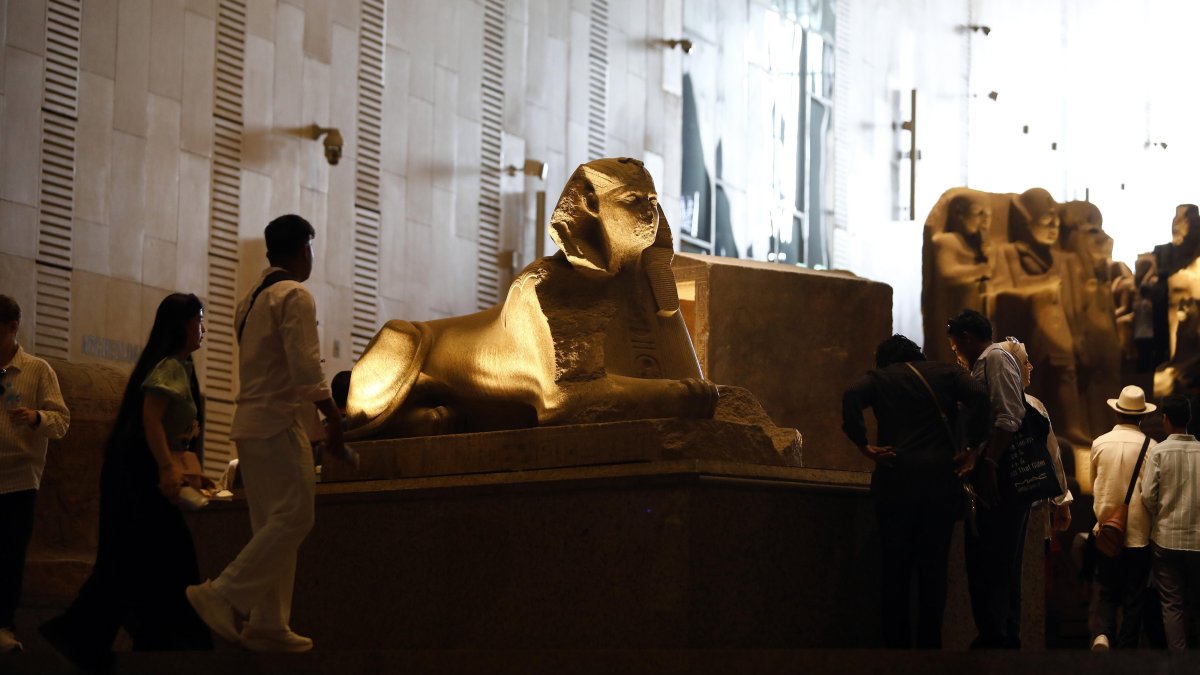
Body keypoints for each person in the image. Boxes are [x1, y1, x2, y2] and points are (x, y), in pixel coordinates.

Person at [186, 214, 352, 653]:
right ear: (303, 250)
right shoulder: (295, 294)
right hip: (279, 424)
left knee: (271, 528)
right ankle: (222, 594)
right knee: (296, 517)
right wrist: (332, 417)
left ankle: (268, 621)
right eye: (311, 249)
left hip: (249, 426)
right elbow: (304, 366)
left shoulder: (250, 300)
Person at [39, 293, 211, 669]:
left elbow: (178, 430)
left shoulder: (182, 367)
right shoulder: (167, 368)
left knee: (138, 564)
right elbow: (150, 420)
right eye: (198, 319)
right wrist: (167, 468)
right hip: (139, 481)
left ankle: (141, 642)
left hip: (148, 479)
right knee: (155, 561)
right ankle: (160, 645)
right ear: (180, 325)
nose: (203, 328)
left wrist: (189, 469)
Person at [841, 334, 989, 648]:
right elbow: (980, 396)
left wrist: (863, 445)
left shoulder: (880, 378)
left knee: (895, 571)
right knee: (933, 571)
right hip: (940, 485)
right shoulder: (949, 373)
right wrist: (973, 447)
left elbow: (851, 395)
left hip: (896, 483)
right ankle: (929, 651)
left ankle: (896, 651)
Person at [947, 309, 1032, 648]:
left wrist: (990, 463)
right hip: (995, 472)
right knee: (998, 562)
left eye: (955, 347)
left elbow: (1009, 416)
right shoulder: (987, 360)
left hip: (1003, 477)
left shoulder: (994, 358)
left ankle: (997, 640)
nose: (955, 354)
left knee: (994, 561)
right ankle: (1001, 636)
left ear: (967, 338)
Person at [0, 295, 69, 653]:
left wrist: (35, 417)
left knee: (10, 556)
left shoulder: (37, 370)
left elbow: (62, 421)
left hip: (19, 478)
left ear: (12, 329)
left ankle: (4, 626)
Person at [1087, 384, 1161, 650]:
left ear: (1117, 413)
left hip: (1107, 531)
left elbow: (1094, 484)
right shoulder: (1151, 447)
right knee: (1134, 596)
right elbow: (1153, 493)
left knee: (1106, 589)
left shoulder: (1098, 443)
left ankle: (1103, 635)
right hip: (1139, 535)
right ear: (1141, 416)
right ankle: (1127, 650)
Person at [1141, 395, 1200, 651]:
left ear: (1165, 419)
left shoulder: (1159, 451)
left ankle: (1179, 661)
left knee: (1172, 603)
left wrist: (1161, 514)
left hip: (1166, 539)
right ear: (1189, 419)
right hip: (1199, 540)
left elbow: (1147, 496)